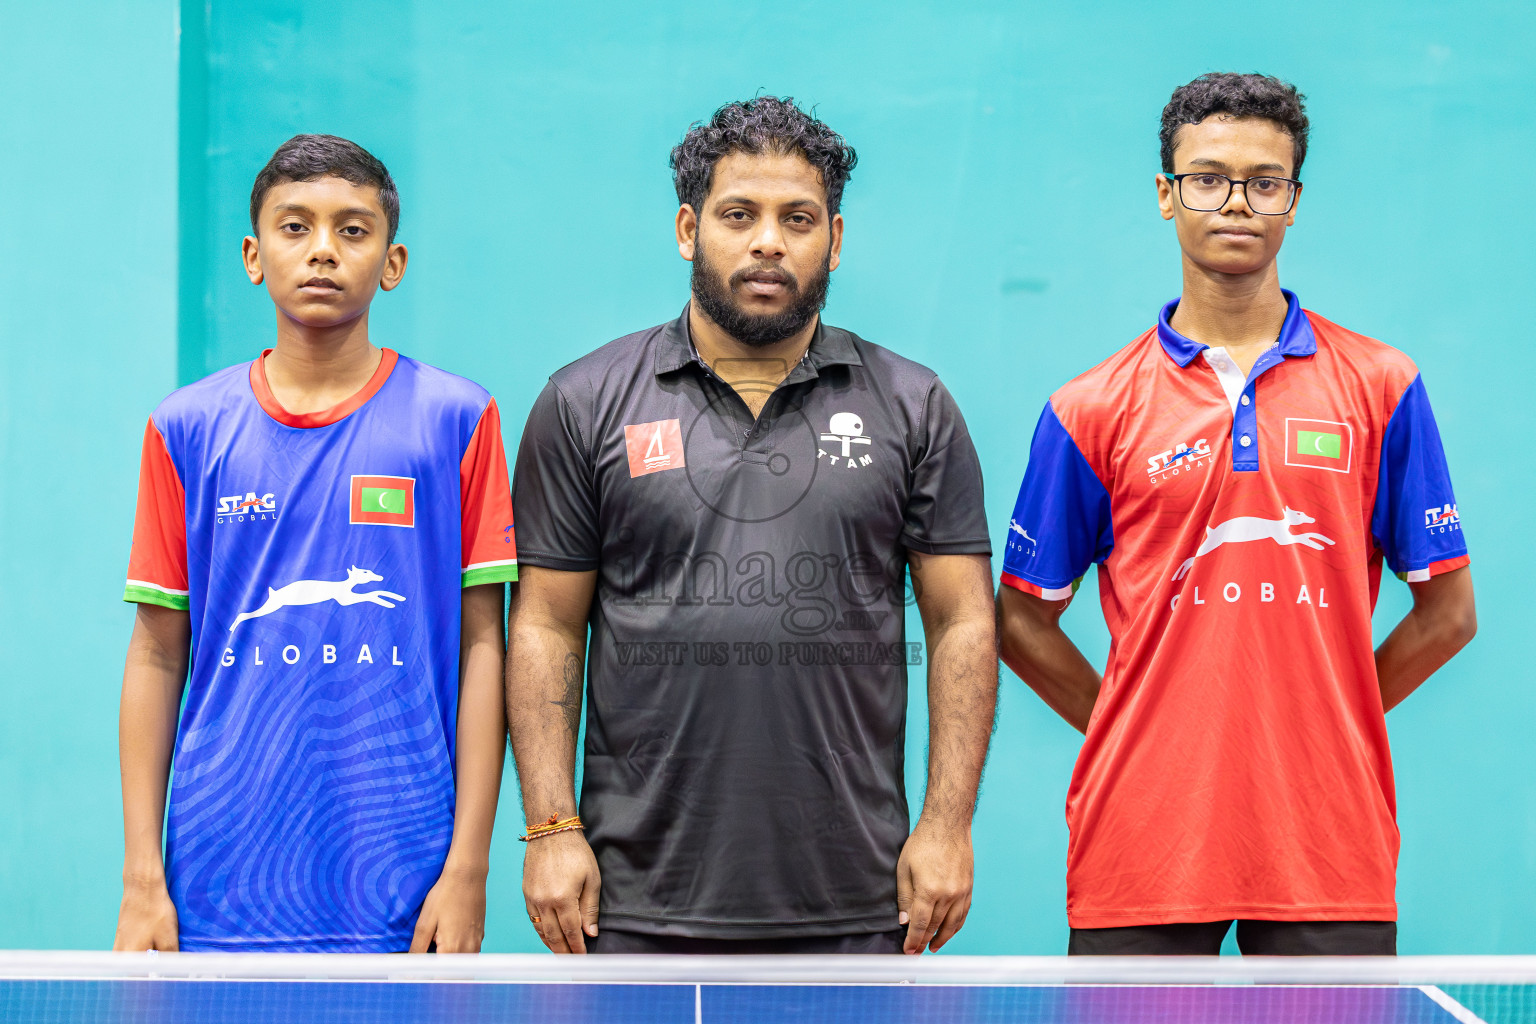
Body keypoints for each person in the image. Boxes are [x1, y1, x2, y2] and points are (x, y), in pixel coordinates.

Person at [996, 73, 1476, 956]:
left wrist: (1331, 717)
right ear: (1167, 196)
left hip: (1327, 842)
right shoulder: (1089, 408)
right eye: (1208, 179)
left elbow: (1450, 615)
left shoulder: (1382, 386)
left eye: (1265, 182)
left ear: (1294, 202)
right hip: (1142, 841)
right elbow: (1020, 619)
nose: (1237, 204)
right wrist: (1132, 721)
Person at [507, 97, 996, 955]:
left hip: (856, 898)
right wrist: (550, 827)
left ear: (834, 241)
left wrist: (947, 825)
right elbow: (547, 624)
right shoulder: (583, 401)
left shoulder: (912, 405)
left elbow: (961, 623)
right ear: (689, 229)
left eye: (797, 218)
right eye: (740, 215)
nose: (768, 241)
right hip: (631, 903)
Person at [113, 134, 517, 952]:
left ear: (392, 261)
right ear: (254, 255)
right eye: (295, 228)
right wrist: (142, 878)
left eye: (353, 229)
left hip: (403, 872)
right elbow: (156, 655)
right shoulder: (185, 428)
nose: (324, 250)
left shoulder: (458, 419)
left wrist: (467, 868)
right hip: (217, 877)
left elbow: (485, 646)